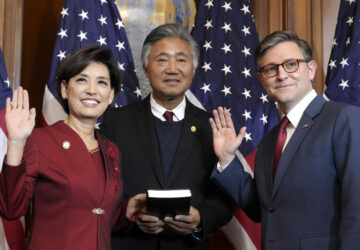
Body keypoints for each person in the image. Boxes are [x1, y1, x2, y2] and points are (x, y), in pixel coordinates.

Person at [210, 30, 360, 250]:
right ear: (261, 80)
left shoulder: (344, 119)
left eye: (291, 64)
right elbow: (262, 207)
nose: (281, 75)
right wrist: (226, 158)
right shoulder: (270, 141)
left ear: (311, 69)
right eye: (271, 69)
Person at [100, 23, 235, 250]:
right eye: (162, 60)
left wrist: (201, 218)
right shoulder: (115, 122)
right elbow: (99, 188)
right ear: (145, 68)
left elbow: (226, 196)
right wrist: (128, 214)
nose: (172, 69)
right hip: (129, 242)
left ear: (193, 68)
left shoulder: (213, 127)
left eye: (181, 60)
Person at [0, 45, 145, 250]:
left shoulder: (111, 148)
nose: (92, 90)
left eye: (102, 82)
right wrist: (15, 143)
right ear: (64, 89)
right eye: (82, 80)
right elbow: (11, 209)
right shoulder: (40, 140)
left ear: (111, 95)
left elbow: (95, 216)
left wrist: (127, 210)